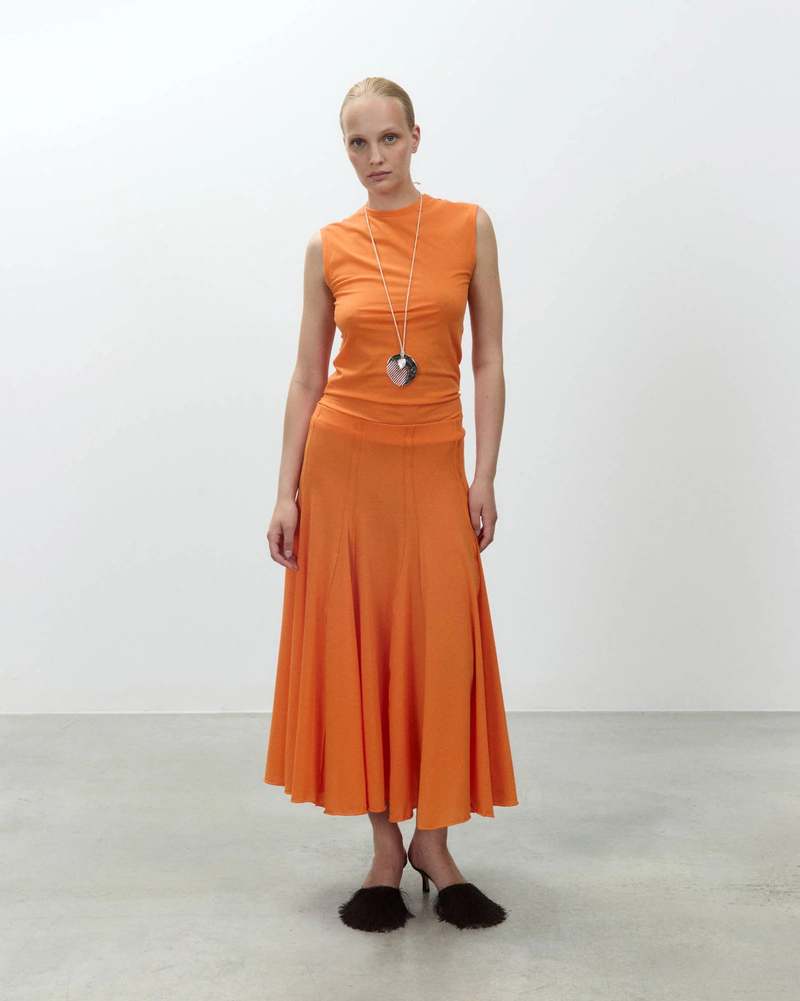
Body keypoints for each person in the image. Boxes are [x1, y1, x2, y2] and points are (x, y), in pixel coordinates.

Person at [263, 77, 519, 932]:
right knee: (362, 648)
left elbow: (488, 359)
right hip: (346, 467)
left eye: (387, 138)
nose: (374, 157)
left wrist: (484, 475)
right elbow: (307, 374)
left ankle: (434, 845)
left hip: (435, 460)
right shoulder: (329, 245)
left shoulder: (468, 226)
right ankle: (384, 847)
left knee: (441, 648)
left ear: (415, 137)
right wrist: (285, 491)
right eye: (357, 143)